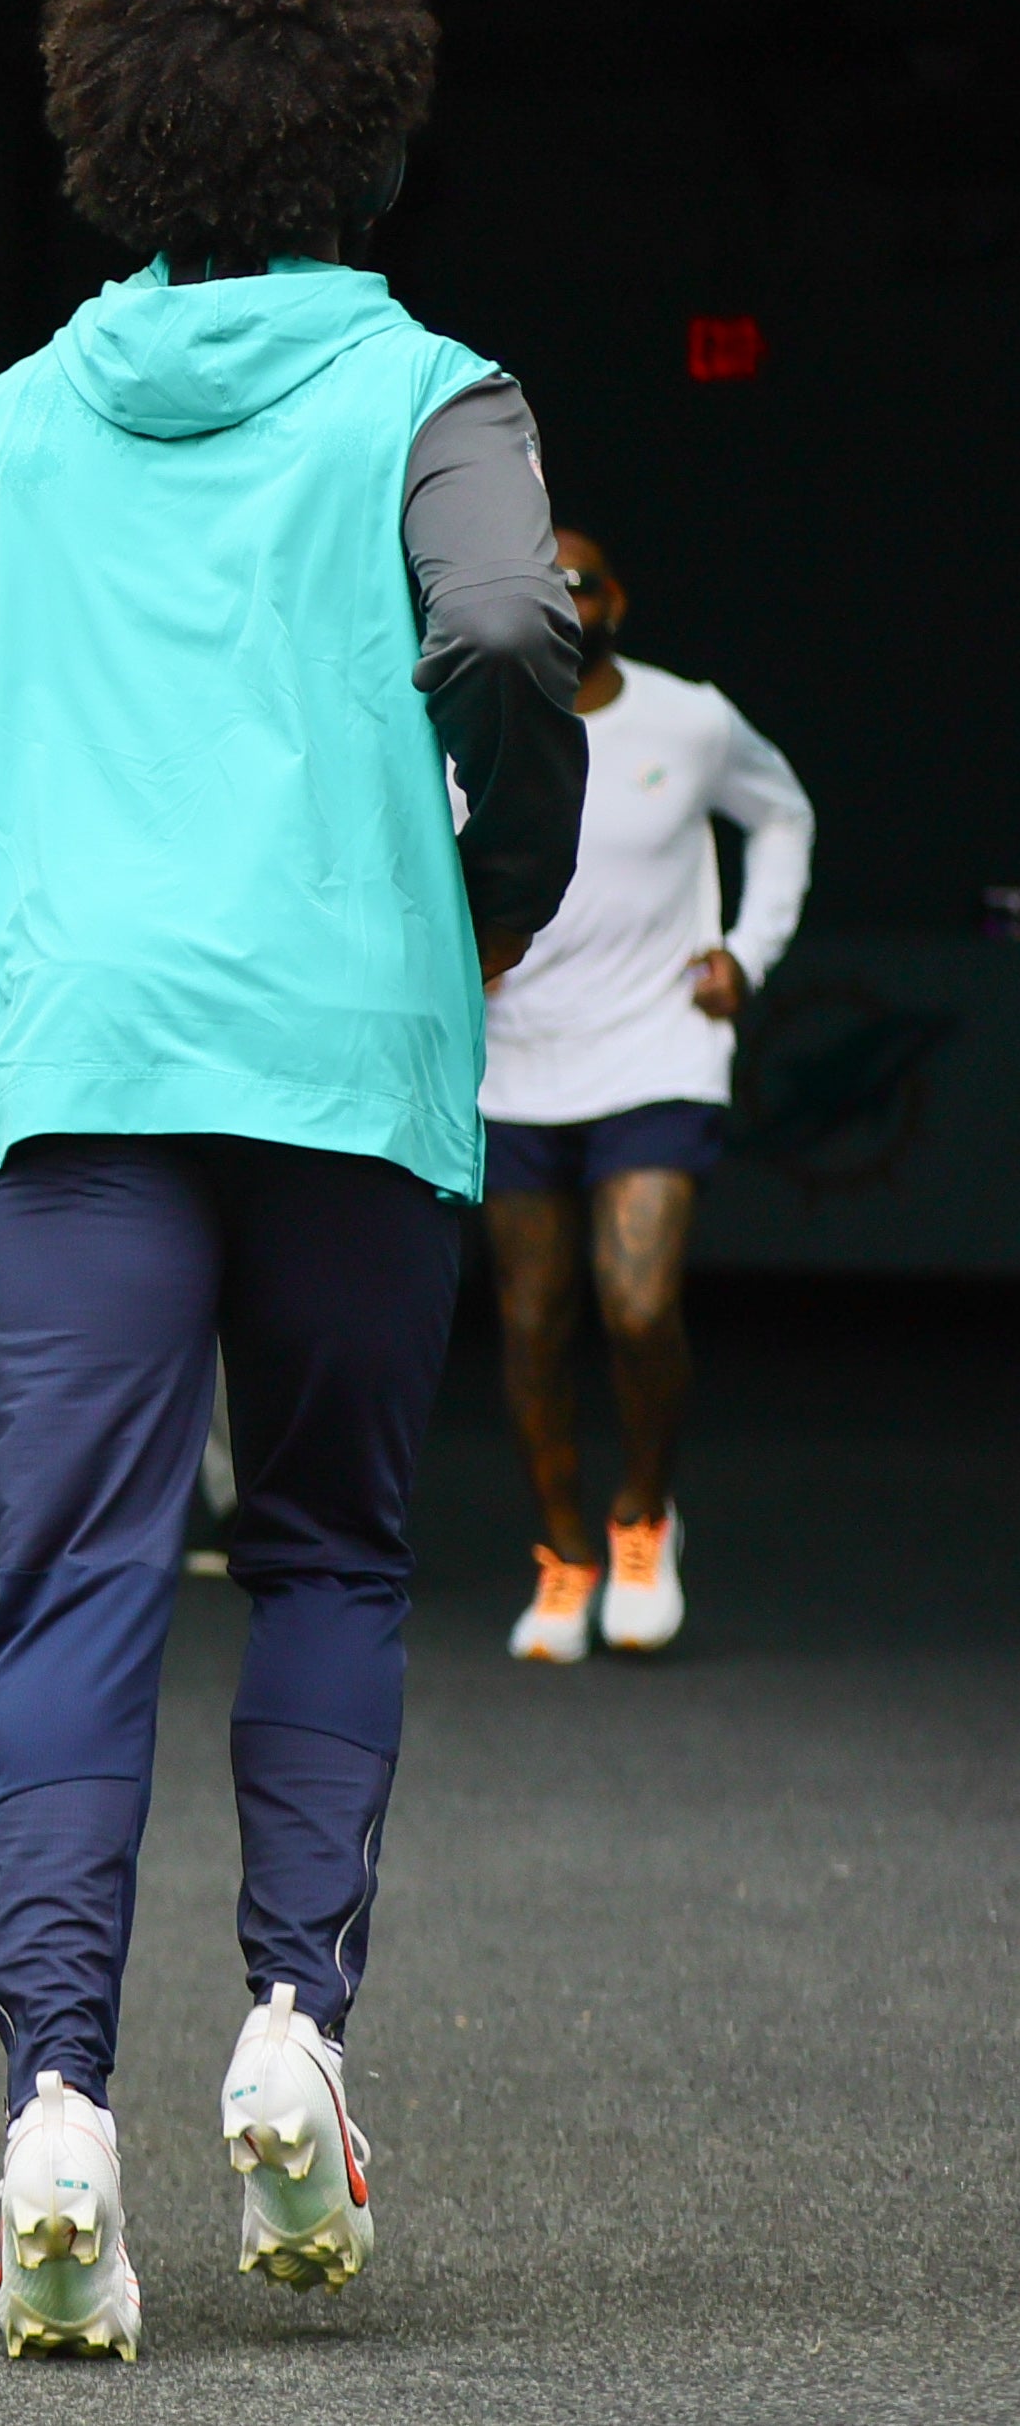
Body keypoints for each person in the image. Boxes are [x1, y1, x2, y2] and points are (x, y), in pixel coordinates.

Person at [0, 0, 582, 2363]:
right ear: (368, 143)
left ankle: (51, 2104)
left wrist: (40, 885)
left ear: (102, 145)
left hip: (77, 1055)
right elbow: (495, 633)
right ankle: (285, 2032)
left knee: (75, 1585)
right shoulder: (435, 393)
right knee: (330, 1545)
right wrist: (495, 880)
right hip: (345, 1042)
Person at [477, 529, 807, 1663]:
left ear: (618, 597)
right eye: (547, 583)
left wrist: (747, 954)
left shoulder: (690, 718)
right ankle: (564, 1550)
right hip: (514, 1059)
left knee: (635, 1304)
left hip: (657, 1051)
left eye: (584, 581)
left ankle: (641, 1517)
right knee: (529, 1325)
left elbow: (783, 815)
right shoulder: (477, 719)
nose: (567, 597)